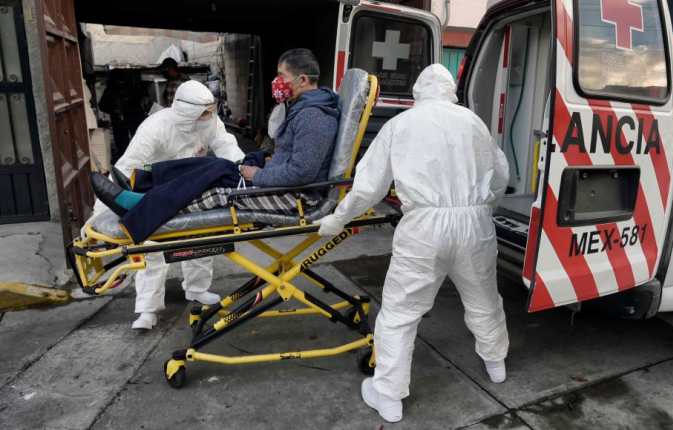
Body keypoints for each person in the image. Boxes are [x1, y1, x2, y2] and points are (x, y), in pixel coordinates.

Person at [316, 64, 511, 423]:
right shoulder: (474, 123)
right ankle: (496, 363)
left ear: (418, 92)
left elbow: (368, 187)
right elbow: (500, 175)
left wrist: (339, 218)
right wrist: (483, 207)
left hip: (425, 227)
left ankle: (389, 396)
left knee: (401, 312)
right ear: (451, 91)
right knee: (484, 298)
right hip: (475, 223)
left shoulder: (402, 124)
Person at [91, 48, 340, 244]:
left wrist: (257, 174)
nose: (277, 82)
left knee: (213, 191)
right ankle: (143, 187)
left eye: (282, 76)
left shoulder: (313, 117)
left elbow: (302, 172)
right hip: (281, 182)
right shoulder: (304, 110)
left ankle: (139, 206)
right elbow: (297, 159)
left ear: (303, 80)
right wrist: (266, 161)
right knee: (213, 166)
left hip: (297, 196)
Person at [95, 79, 246, 331]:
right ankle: (147, 309)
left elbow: (226, 146)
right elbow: (126, 167)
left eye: (211, 111)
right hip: (155, 191)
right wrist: (99, 214)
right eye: (204, 113)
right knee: (151, 248)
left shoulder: (210, 122)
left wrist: (245, 175)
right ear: (187, 112)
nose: (210, 116)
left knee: (201, 236)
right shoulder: (155, 128)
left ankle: (197, 289)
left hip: (192, 187)